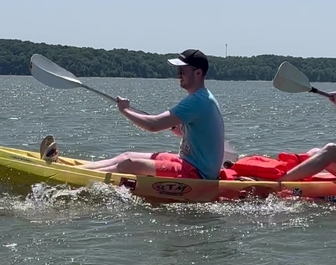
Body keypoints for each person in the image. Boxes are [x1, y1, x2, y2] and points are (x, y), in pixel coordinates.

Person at [44, 49, 225, 180]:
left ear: (198, 73)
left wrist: (125, 110)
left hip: (198, 173)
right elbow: (195, 133)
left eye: (182, 70)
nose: (178, 75)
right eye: (178, 71)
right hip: (189, 162)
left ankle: (69, 178)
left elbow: (153, 125)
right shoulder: (202, 98)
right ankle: (69, 168)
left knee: (130, 163)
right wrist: (180, 130)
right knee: (126, 155)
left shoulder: (197, 101)